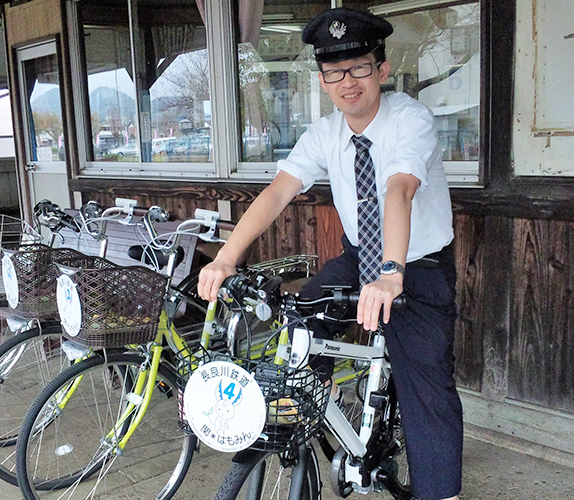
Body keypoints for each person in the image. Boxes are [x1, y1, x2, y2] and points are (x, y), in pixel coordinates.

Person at [197, 7, 461, 500]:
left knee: (428, 391)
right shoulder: (324, 133)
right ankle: (320, 404)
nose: (348, 81)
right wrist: (227, 257)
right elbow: (277, 193)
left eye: (359, 67)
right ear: (323, 81)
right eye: (334, 72)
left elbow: (397, 192)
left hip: (416, 266)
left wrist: (390, 272)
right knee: (300, 320)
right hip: (359, 255)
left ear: (381, 70)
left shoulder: (410, 119)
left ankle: (441, 492)